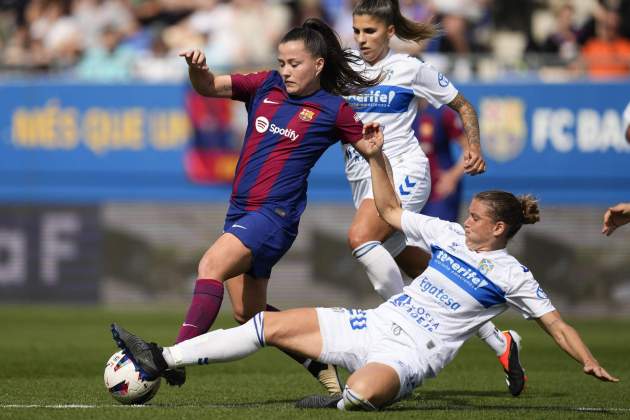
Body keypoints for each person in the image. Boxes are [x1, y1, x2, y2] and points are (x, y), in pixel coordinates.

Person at [110, 129, 618, 411]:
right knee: (264, 325)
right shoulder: (447, 236)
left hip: (410, 355)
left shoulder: (513, 276)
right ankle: (160, 357)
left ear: (501, 229)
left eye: (477, 217)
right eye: (469, 214)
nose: (466, 220)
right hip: (373, 322)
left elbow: (557, 325)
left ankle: (342, 401)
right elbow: (392, 213)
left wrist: (587, 360)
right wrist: (377, 158)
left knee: (362, 396)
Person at [163, 18, 383, 394]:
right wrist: (197, 71)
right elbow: (209, 87)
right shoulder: (265, 85)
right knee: (247, 314)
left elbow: (370, 152)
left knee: (210, 265)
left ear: (318, 65)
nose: (286, 70)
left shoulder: (334, 109)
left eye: (294, 64)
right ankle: (318, 357)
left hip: (275, 216)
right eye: (282, 62)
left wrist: (384, 189)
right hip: (241, 212)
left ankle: (175, 355)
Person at [341, 0, 524, 395]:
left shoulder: (410, 68)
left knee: (360, 238)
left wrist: (473, 147)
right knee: (404, 258)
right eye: (357, 31)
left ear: (390, 31)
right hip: (363, 180)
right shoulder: (346, 70)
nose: (361, 39)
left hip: (404, 172)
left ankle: (402, 335)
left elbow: (463, 105)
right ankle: (499, 340)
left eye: (369, 31)